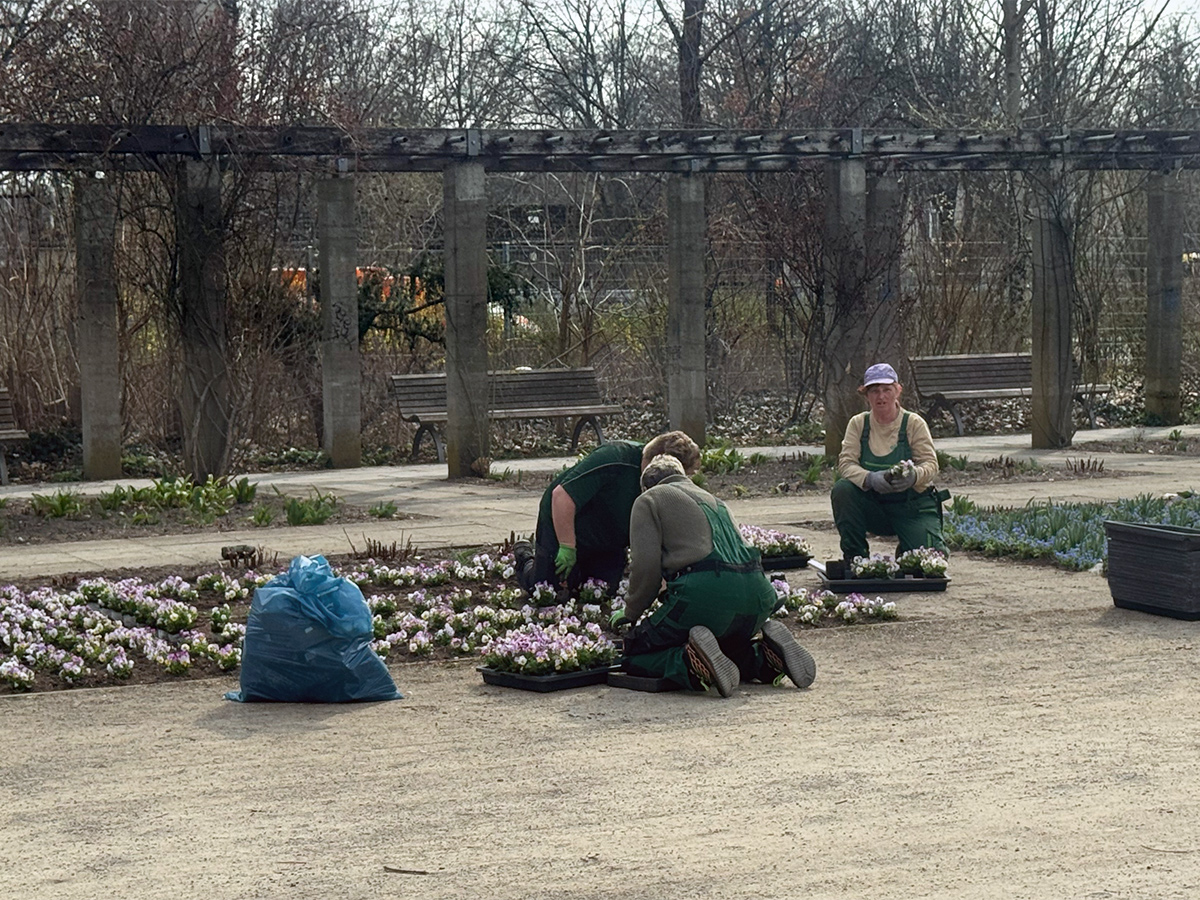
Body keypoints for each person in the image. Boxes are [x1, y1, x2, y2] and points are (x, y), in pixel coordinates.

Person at [611, 454, 817, 698]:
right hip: (759, 598)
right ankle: (766, 661)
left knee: (634, 651)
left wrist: (631, 611)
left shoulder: (649, 499)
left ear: (646, 485)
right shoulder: (717, 501)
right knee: (719, 647)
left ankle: (689, 663)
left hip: (704, 595)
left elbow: (645, 568)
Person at [514, 432, 702, 595]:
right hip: (566, 524)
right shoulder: (615, 458)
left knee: (602, 591)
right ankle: (525, 559)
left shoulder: (668, 492)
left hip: (610, 538)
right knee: (546, 590)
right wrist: (567, 546)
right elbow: (562, 497)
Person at [831, 362, 950, 563]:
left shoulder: (913, 423)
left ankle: (908, 546)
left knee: (929, 562)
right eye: (874, 391)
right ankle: (856, 558)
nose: (881, 396)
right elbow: (846, 464)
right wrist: (869, 478)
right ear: (866, 394)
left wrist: (914, 476)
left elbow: (931, 464)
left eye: (887, 390)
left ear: (898, 391)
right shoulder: (858, 423)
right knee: (843, 490)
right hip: (874, 506)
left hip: (912, 507)